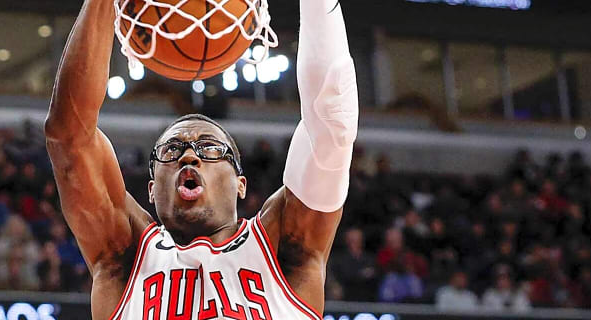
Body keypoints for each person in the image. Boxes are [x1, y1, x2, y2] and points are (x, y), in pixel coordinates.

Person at [44, 0, 357, 318]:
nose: (189, 156)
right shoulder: (123, 258)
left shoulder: (283, 247)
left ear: (240, 184)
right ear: (151, 189)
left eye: (210, 148)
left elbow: (332, 121)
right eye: (170, 151)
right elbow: (68, 136)